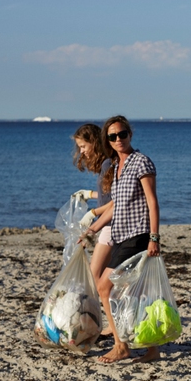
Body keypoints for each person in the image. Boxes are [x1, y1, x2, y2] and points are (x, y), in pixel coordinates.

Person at [83, 115, 162, 364]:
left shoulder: (141, 162)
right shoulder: (117, 166)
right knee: (134, 293)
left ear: (130, 134)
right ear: (107, 139)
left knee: (105, 287)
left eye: (122, 134)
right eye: (112, 136)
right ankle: (152, 349)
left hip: (137, 235)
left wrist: (154, 238)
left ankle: (121, 346)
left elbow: (152, 201)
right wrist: (93, 229)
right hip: (120, 235)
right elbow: (116, 206)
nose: (118, 139)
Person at [69, 123, 115, 288]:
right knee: (107, 278)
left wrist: (92, 213)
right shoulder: (106, 164)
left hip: (111, 225)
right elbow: (107, 196)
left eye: (83, 146)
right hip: (108, 224)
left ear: (94, 143)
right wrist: (89, 194)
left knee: (95, 277)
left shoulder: (108, 165)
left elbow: (116, 202)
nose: (81, 151)